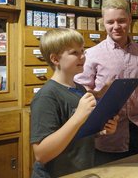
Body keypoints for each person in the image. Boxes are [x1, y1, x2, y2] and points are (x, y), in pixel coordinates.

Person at [74, 0, 138, 165]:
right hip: (108, 132)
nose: (116, 27)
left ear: (130, 20)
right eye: (110, 22)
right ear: (103, 23)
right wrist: (98, 94)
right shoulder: (93, 54)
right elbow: (79, 91)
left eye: (121, 21)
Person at [30, 28, 118, 178]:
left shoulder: (80, 89)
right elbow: (41, 154)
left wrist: (101, 131)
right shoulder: (47, 97)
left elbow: (77, 134)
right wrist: (78, 117)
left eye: (82, 51)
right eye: (74, 53)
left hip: (80, 171)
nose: (82, 56)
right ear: (55, 59)